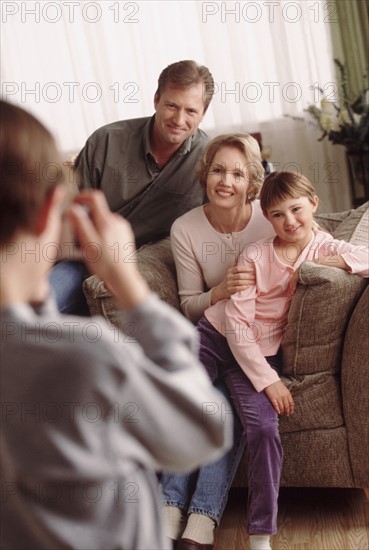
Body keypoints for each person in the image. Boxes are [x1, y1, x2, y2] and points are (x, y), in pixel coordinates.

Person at [0, 100, 233, 550]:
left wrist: (36, 299)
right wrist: (129, 285)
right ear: (52, 211)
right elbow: (204, 429)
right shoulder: (87, 357)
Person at [196, 171, 369, 550]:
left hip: (262, 353)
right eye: (277, 215)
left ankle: (260, 534)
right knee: (173, 404)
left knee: (264, 429)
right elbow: (237, 324)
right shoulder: (256, 254)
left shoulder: (323, 248)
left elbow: (366, 258)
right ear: (267, 218)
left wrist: (334, 263)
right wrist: (269, 381)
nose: (289, 222)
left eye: (296, 210)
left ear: (313, 205)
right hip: (216, 337)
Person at [161, 134, 276, 550]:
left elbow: (308, 242)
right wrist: (222, 290)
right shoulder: (185, 228)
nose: (226, 181)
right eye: (217, 170)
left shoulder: (270, 218)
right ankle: (170, 505)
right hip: (211, 332)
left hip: (255, 343)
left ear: (252, 183)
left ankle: (202, 517)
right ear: (204, 174)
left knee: (227, 406)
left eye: (238, 173)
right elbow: (189, 304)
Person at [49, 59, 214, 315]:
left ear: (203, 113)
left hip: (148, 265)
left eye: (191, 111)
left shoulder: (210, 160)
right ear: (156, 99)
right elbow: (69, 217)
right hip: (83, 259)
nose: (179, 119)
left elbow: (218, 224)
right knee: (33, 310)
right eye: (171, 105)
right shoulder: (105, 141)